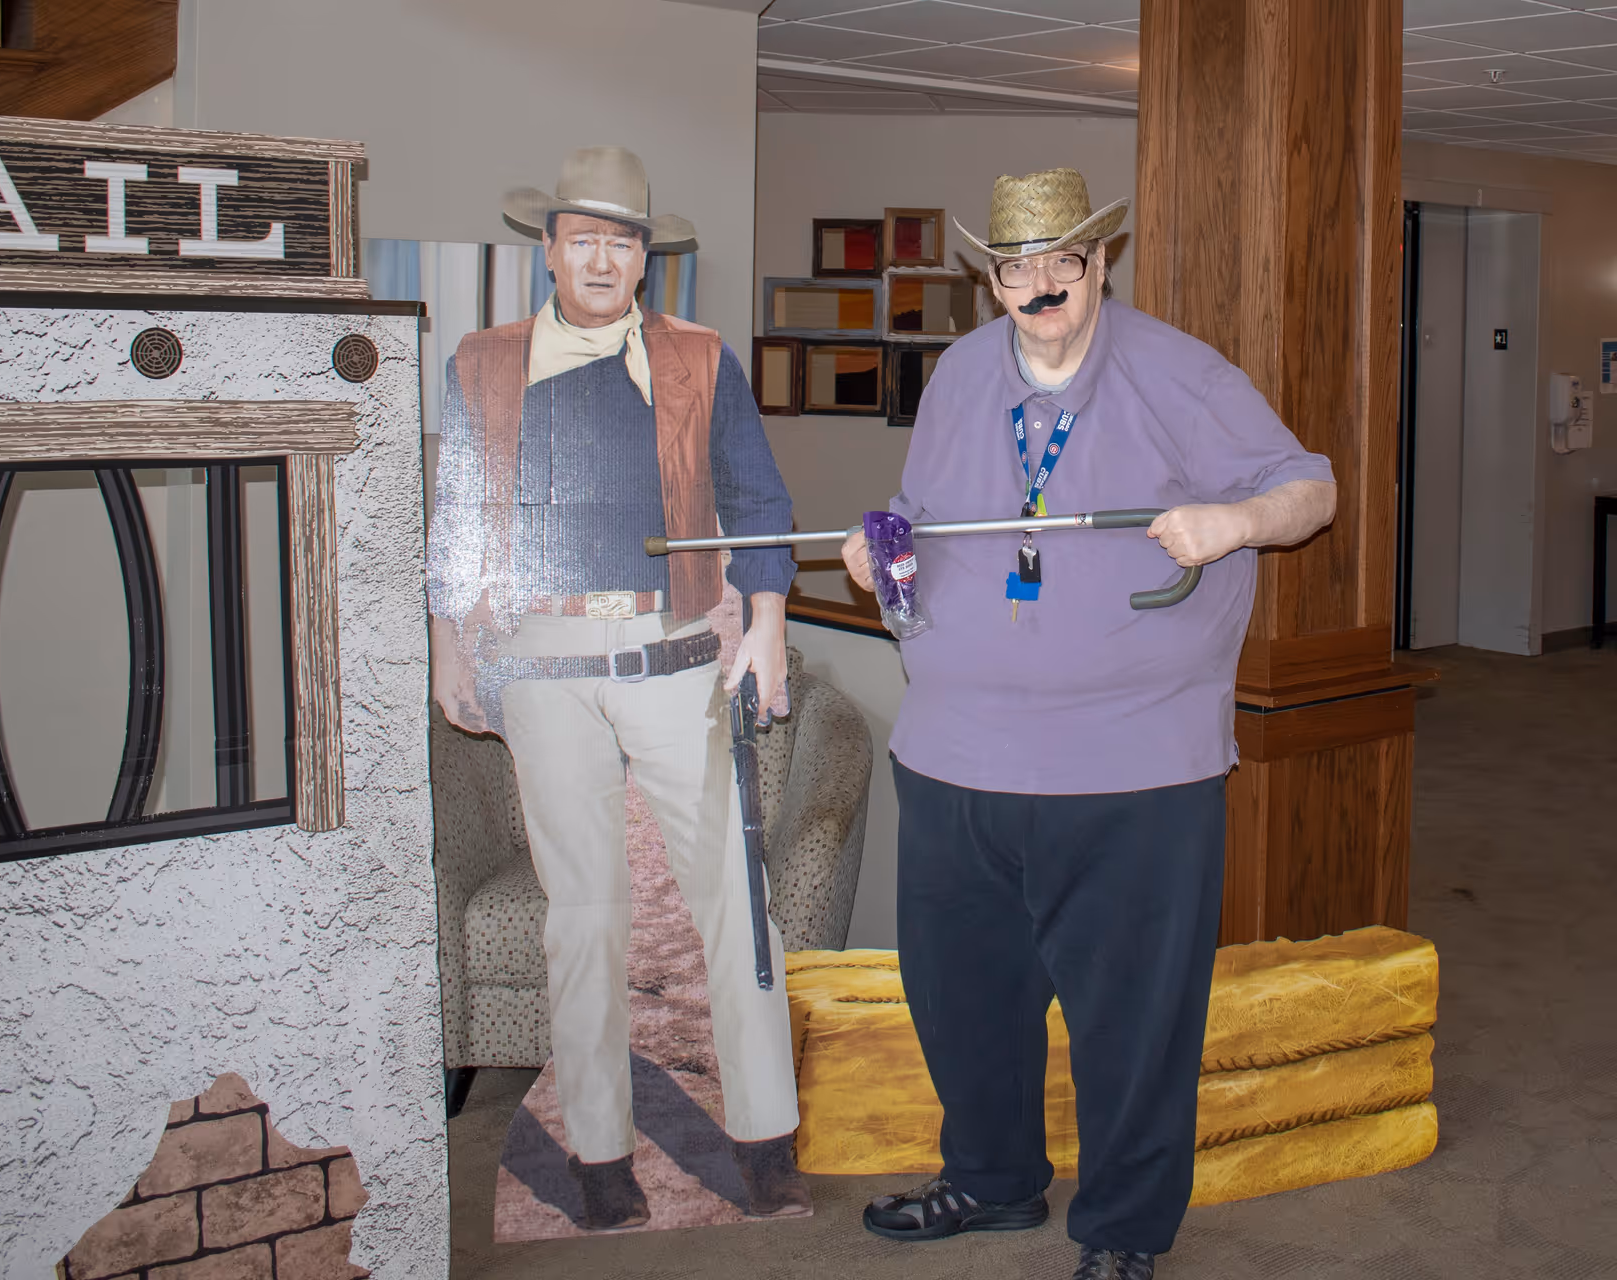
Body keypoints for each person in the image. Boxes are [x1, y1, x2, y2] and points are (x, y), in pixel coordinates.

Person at [841, 168, 1337, 1280]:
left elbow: (1314, 487)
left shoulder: (1180, 373)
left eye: (1066, 259)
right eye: (1019, 264)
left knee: (1135, 1018)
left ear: (1100, 263)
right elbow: (920, 519)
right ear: (992, 278)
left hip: (1136, 770)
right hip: (955, 756)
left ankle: (1122, 1227)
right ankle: (993, 1176)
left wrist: (1235, 520)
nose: (1043, 284)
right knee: (964, 992)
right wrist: (879, 547)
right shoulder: (962, 375)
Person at [426, 145, 806, 1231]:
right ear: (548, 249)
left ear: (648, 257)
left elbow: (758, 493)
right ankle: (598, 1153)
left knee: (736, 898)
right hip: (541, 670)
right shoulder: (484, 362)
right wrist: (452, 644)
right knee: (581, 916)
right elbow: (458, 519)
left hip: (674, 653)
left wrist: (769, 622)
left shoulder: (699, 356)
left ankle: (767, 1139)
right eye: (583, 237)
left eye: (624, 240)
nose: (603, 256)